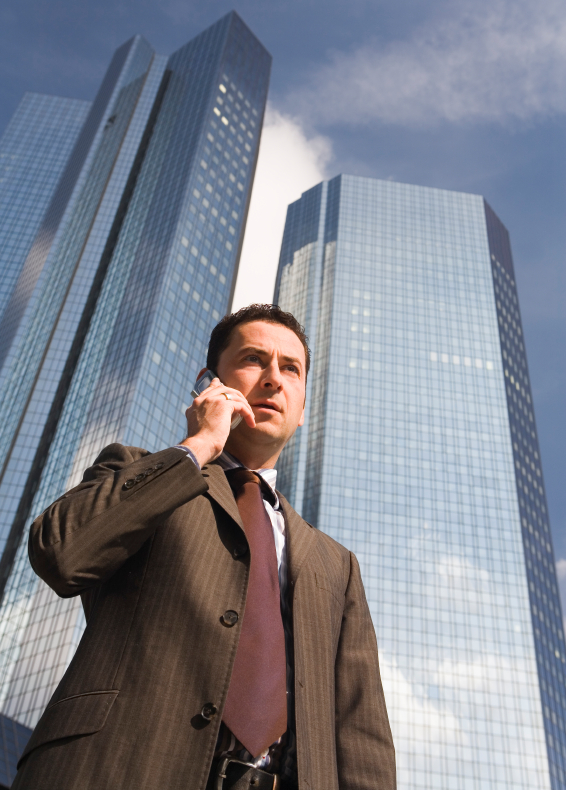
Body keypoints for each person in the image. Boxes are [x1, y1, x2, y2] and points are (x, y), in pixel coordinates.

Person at [13, 304, 395, 790]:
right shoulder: (142, 472)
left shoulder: (336, 565)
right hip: (116, 769)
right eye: (255, 360)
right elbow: (61, 552)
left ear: (303, 411)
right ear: (208, 381)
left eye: (291, 368)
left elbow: (361, 731)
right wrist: (198, 446)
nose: (275, 379)